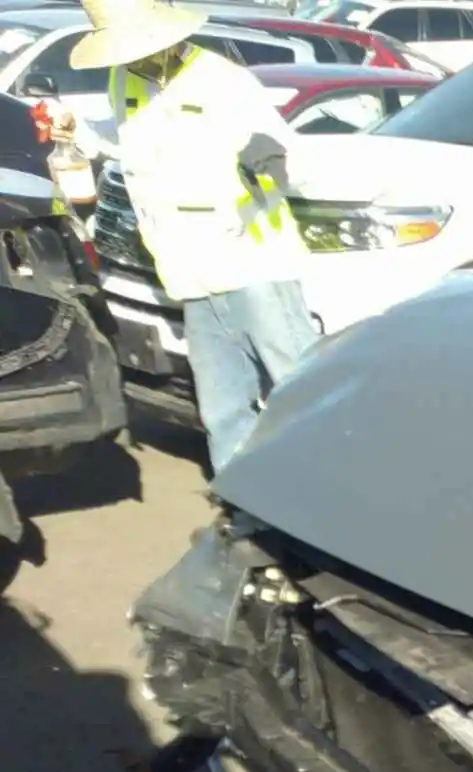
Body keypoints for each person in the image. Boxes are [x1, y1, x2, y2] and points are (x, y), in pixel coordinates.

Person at [52, 0, 316, 471]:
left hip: (253, 263)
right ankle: (243, 503)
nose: (129, 57)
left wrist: (269, 156)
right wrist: (83, 134)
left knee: (299, 390)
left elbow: (288, 154)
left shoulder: (222, 80)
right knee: (222, 406)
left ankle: (324, 501)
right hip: (189, 274)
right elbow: (130, 142)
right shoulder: (124, 79)